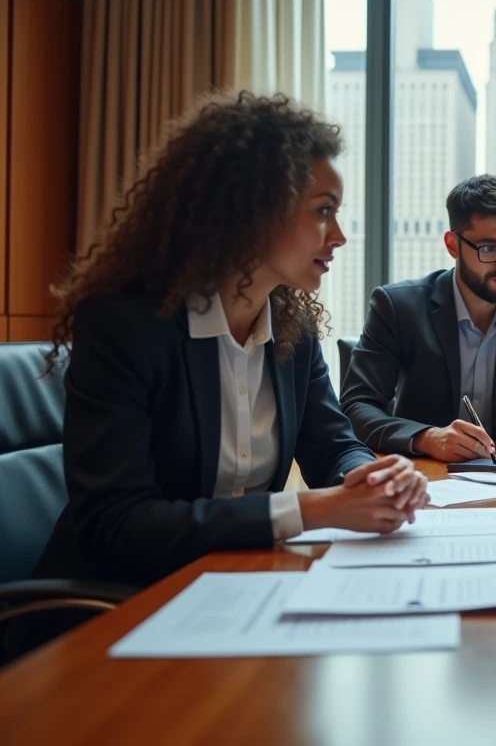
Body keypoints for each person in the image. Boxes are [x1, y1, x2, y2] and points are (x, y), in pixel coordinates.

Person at [32, 91, 428, 592]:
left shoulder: (294, 331)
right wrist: (307, 509)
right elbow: (117, 523)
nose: (339, 236)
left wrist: (373, 477)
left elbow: (332, 446)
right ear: (252, 211)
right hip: (120, 601)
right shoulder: (125, 327)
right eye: (323, 211)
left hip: (239, 582)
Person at [341, 174, 496, 462]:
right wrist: (426, 438)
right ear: (453, 245)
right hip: (425, 473)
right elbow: (356, 407)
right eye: (489, 248)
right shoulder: (398, 307)